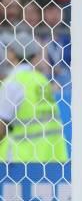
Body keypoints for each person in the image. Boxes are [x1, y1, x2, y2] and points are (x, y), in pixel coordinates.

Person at [0, 34, 67, 163]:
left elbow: (1, 125)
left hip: (20, 160)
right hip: (51, 157)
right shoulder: (41, 80)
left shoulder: (14, 83)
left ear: (13, 53)